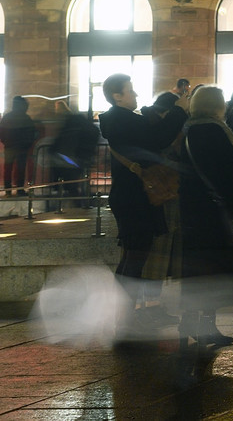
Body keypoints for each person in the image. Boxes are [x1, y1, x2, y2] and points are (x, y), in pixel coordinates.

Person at [99, 72, 186, 334]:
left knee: (133, 255)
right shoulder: (121, 120)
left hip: (132, 196)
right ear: (117, 96)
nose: (135, 94)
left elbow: (151, 128)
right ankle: (124, 317)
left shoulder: (120, 120)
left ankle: (125, 315)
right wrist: (180, 112)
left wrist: (171, 99)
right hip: (134, 197)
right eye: (131, 90)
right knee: (134, 257)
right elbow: (157, 137)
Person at [176, 85, 233, 349]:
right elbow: (227, 174)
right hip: (215, 214)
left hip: (192, 211)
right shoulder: (215, 131)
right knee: (214, 270)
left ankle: (190, 321)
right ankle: (206, 326)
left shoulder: (188, 130)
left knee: (197, 270)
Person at [48, 101, 101, 204]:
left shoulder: (70, 125)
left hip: (68, 159)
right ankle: (81, 204)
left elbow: (62, 142)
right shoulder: (82, 125)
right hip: (76, 159)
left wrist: (52, 150)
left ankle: (76, 205)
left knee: (70, 185)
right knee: (76, 183)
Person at [0, 95, 40, 195]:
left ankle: (8, 190)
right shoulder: (26, 117)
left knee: (8, 168)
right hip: (22, 147)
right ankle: (20, 189)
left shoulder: (7, 117)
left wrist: (6, 141)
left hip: (9, 146)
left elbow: (0, 133)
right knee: (21, 169)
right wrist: (28, 143)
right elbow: (32, 132)